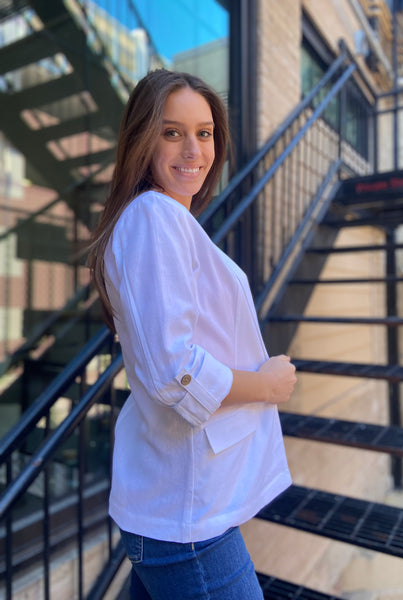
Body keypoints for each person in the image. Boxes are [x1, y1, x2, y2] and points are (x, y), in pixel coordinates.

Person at [88, 69, 296, 600]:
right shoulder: (154, 217)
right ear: (143, 137)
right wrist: (266, 385)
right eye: (172, 131)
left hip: (174, 504)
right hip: (187, 519)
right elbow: (175, 372)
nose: (193, 149)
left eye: (204, 133)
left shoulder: (164, 221)